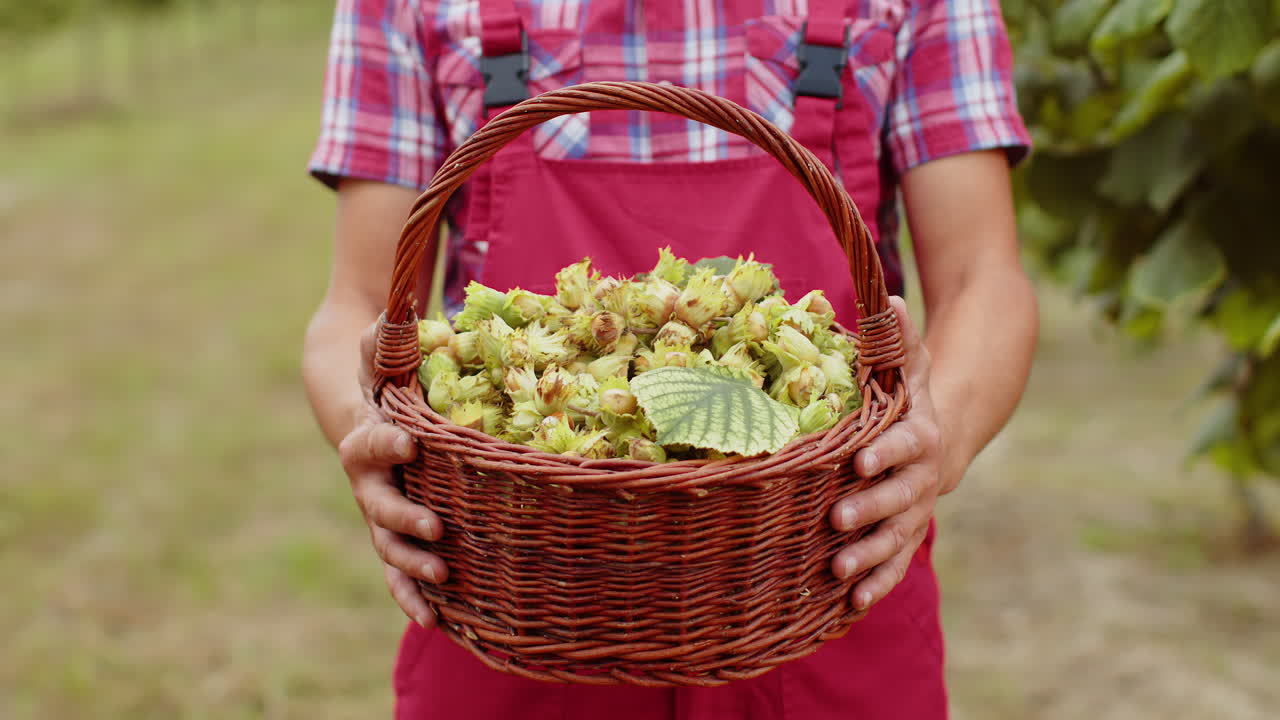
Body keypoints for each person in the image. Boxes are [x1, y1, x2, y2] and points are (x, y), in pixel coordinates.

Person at [302, 0, 1038, 717]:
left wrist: (932, 448)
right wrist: (369, 431)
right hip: (519, 587)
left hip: (822, 571)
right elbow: (357, 302)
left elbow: (983, 279)